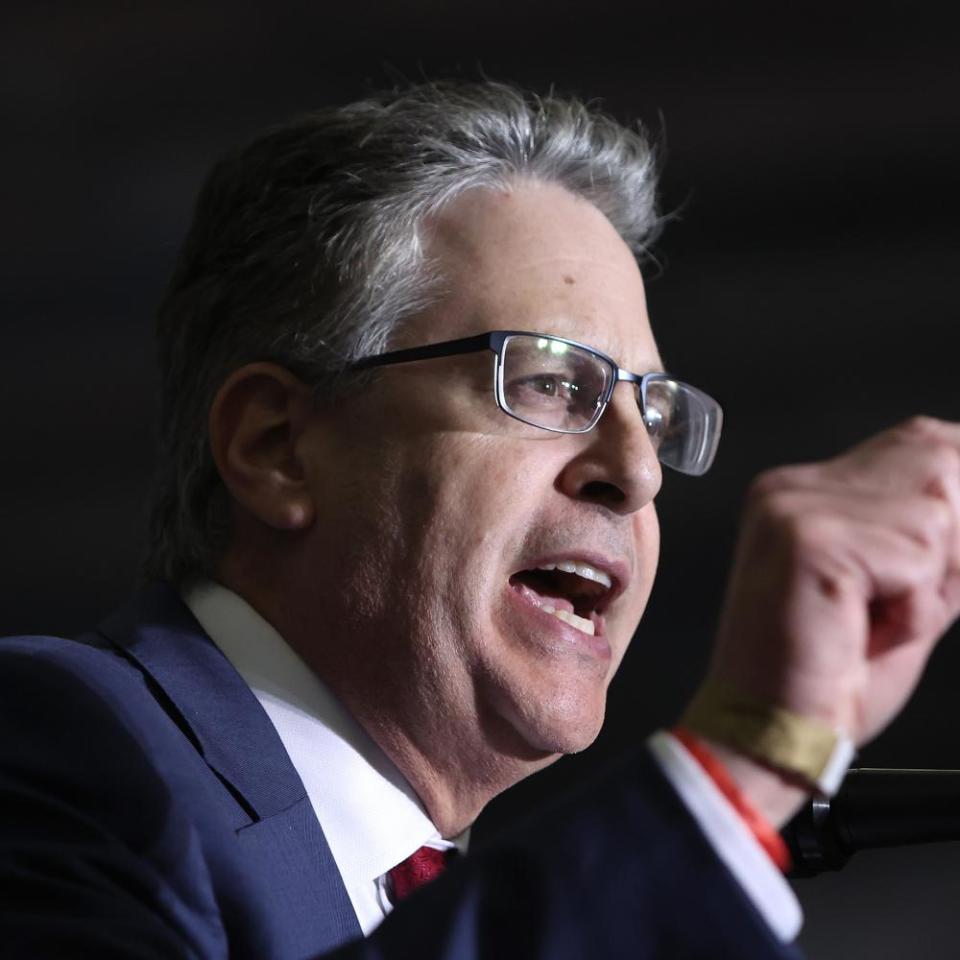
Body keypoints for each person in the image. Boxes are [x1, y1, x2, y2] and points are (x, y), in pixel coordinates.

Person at [2, 80, 959, 959]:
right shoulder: (58, 755)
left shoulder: (458, 902)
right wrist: (742, 771)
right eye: (548, 381)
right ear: (275, 447)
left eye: (653, 415)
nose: (634, 470)